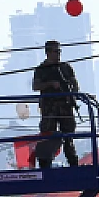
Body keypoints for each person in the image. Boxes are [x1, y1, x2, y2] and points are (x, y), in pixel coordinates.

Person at [31, 40, 81, 169]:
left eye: (59, 51)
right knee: (48, 137)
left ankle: (73, 163)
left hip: (65, 107)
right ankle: (45, 165)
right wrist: (50, 84)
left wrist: (71, 93)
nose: (57, 54)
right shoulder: (41, 69)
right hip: (50, 108)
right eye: (55, 51)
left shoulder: (65, 68)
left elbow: (74, 85)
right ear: (47, 53)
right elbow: (35, 86)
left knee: (68, 138)